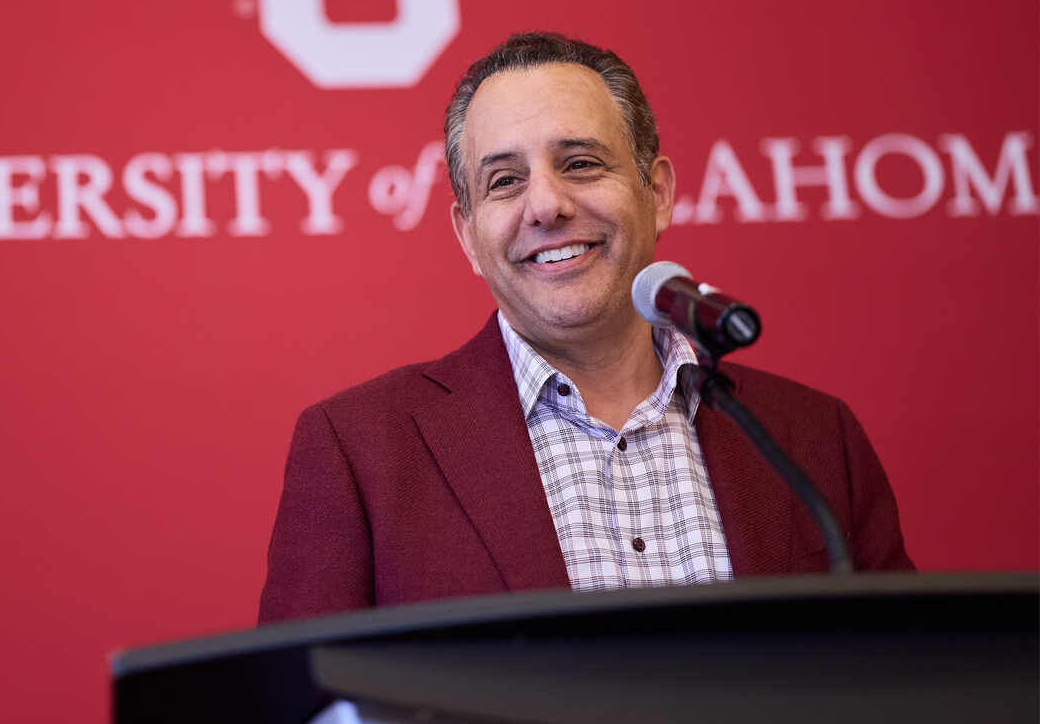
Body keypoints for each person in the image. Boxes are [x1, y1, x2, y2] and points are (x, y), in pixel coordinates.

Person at [258, 31, 912, 624]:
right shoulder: (362, 449)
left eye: (580, 164)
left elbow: (905, 682)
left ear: (656, 193)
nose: (546, 205)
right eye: (505, 181)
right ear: (467, 234)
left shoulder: (813, 439)